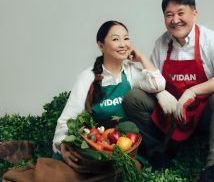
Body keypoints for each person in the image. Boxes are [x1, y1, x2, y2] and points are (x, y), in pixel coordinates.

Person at [3, 20, 165, 182]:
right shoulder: (87, 78)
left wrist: (142, 58)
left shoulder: (131, 73)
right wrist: (62, 145)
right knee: (62, 174)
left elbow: (158, 84)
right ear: (101, 45)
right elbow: (67, 119)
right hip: (94, 150)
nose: (123, 44)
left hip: (123, 151)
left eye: (126, 38)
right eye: (116, 39)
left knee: (130, 169)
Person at [123, 0, 214, 182]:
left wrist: (192, 91)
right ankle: (159, 151)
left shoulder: (210, 39)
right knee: (133, 98)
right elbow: (152, 78)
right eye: (169, 15)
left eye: (181, 13)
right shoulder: (162, 43)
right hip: (172, 114)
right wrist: (161, 93)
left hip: (202, 114)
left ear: (194, 14)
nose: (175, 20)